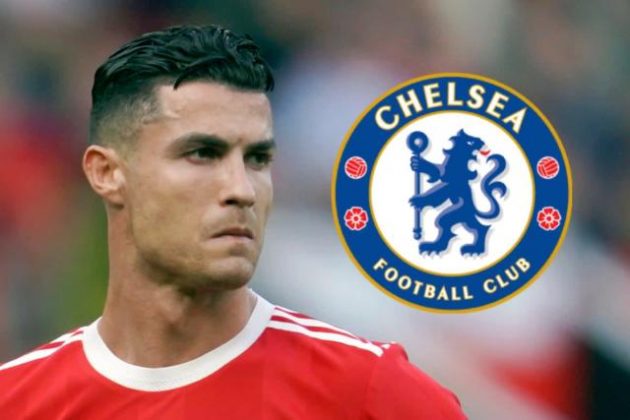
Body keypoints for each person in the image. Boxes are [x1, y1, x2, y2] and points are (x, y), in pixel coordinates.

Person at [0, 25, 466, 419]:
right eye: (202, 153)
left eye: (258, 159)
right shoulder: (17, 401)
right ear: (107, 173)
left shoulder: (368, 392)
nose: (242, 189)